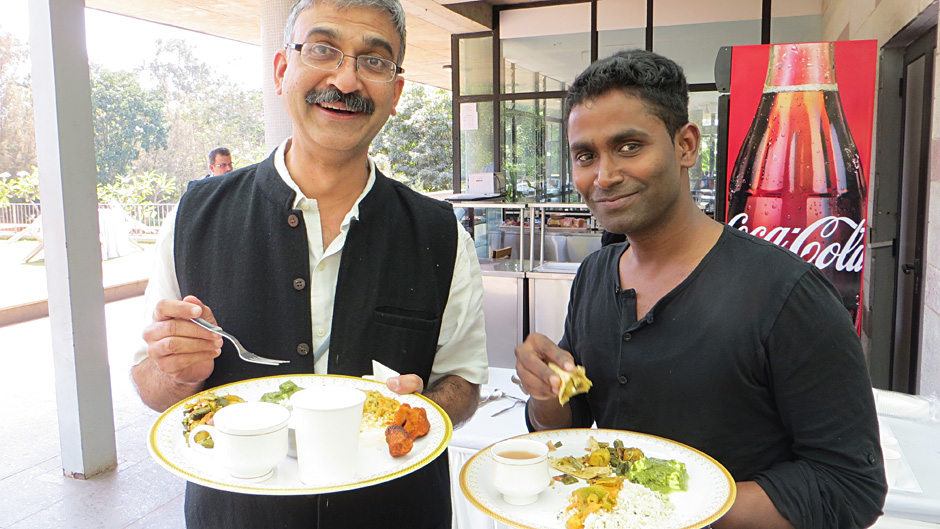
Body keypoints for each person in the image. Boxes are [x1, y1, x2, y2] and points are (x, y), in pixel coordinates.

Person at [131, 1, 488, 527]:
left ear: (396, 93)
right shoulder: (194, 218)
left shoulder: (439, 233)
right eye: (323, 50)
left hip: (397, 512)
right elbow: (147, 383)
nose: (345, 80)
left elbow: (464, 380)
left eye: (374, 61)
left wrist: (426, 409)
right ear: (282, 70)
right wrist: (176, 372)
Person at [514, 49, 886, 529]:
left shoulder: (787, 294)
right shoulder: (593, 275)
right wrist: (546, 392)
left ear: (686, 145)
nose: (603, 176)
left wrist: (668, 507)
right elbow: (574, 419)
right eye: (586, 155)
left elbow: (850, 486)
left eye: (629, 146)